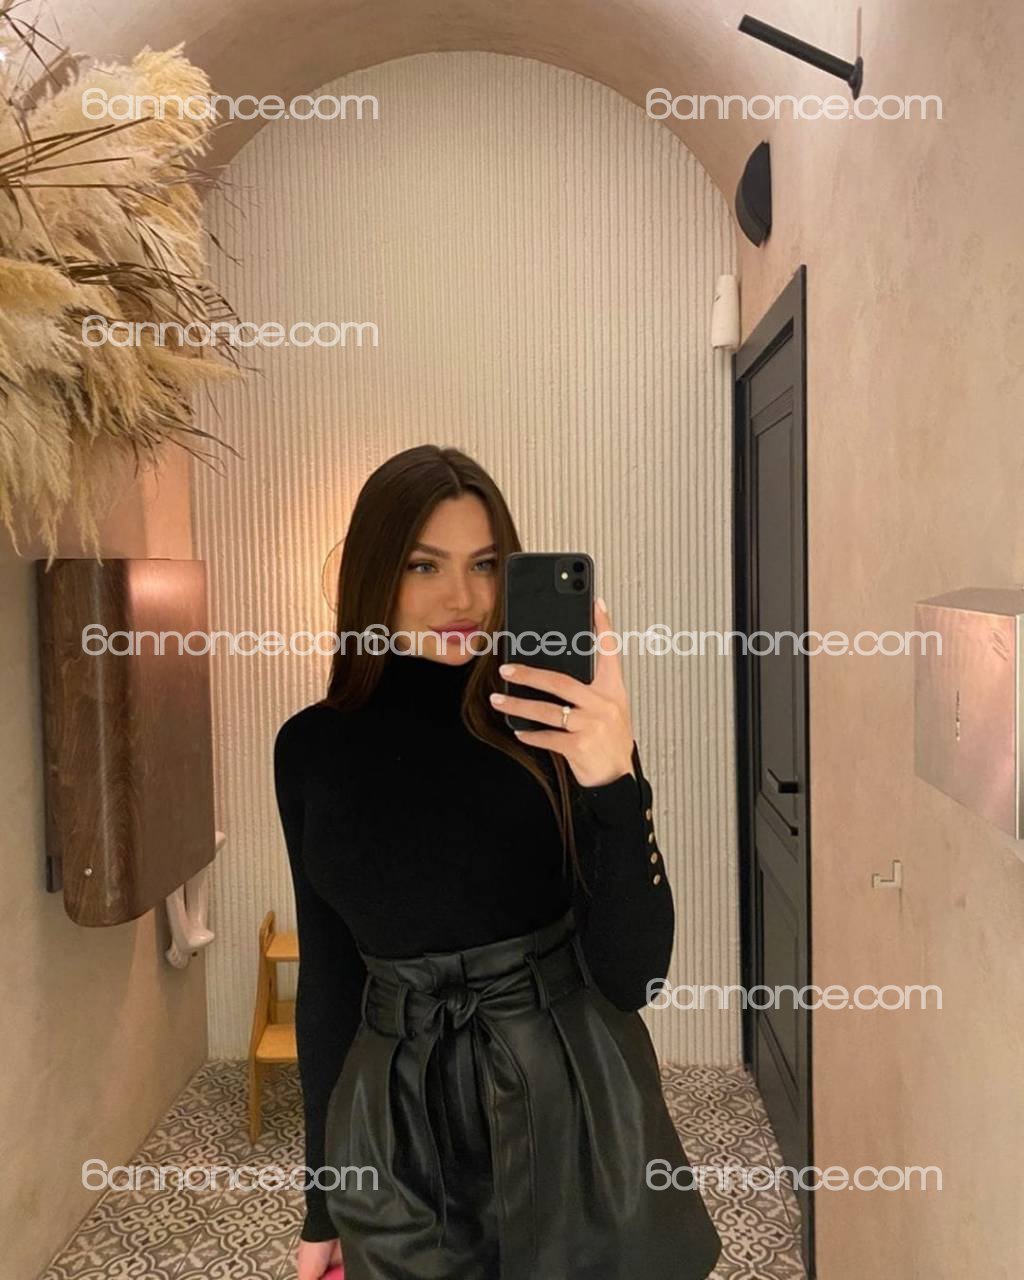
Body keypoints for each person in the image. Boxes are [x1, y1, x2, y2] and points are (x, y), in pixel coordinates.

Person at [273, 444, 723, 1280]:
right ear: (373, 575)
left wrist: (614, 782)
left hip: (571, 1091)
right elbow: (330, 978)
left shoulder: (559, 727)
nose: (463, 598)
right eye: (424, 565)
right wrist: (321, 1200)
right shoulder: (310, 749)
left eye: (485, 564)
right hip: (395, 1119)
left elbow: (634, 974)